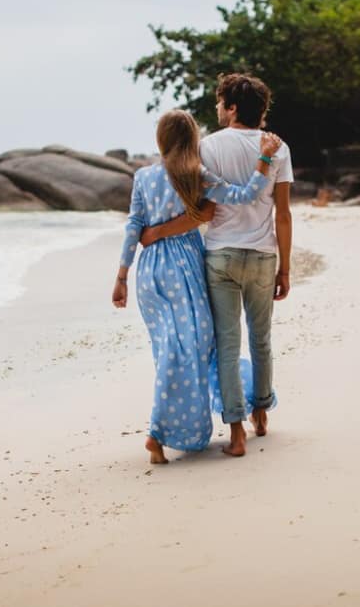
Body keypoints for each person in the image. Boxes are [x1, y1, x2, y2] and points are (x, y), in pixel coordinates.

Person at [112, 109, 283, 464]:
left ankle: (170, 431)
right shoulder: (194, 175)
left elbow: (134, 226)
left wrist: (122, 276)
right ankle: (159, 433)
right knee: (197, 347)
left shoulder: (143, 177)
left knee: (169, 348)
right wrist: (264, 158)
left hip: (149, 272)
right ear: (191, 140)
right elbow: (245, 194)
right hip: (184, 267)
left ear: (161, 139)